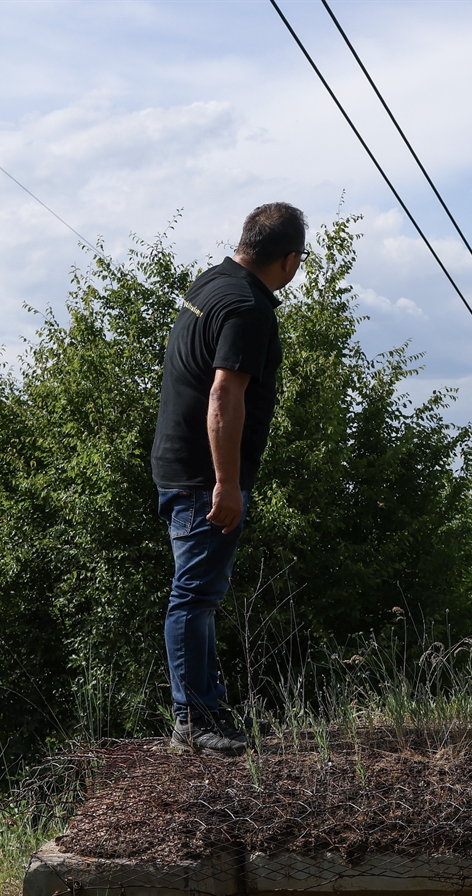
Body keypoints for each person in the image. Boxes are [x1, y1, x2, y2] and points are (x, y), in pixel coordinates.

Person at [151, 202, 306, 756]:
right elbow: (224, 393)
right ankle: (194, 721)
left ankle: (207, 707)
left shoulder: (212, 283)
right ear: (289, 260)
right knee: (193, 596)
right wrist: (227, 482)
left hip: (175, 463)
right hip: (202, 476)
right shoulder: (250, 308)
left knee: (201, 594)